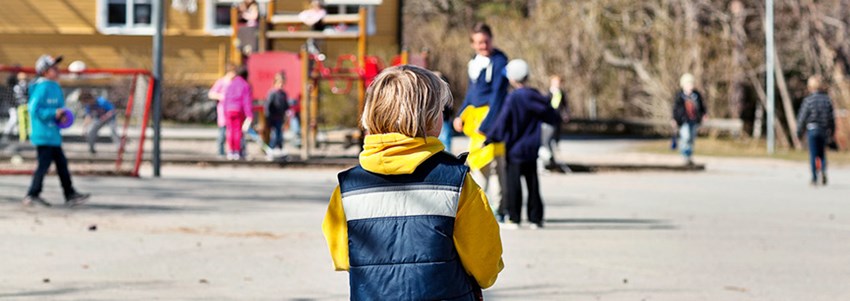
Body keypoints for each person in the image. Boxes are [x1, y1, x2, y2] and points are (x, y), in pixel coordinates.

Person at [322, 65, 504, 299]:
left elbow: (342, 257)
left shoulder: (347, 189)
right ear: (428, 119)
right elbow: (485, 264)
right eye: (440, 110)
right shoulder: (456, 183)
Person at [486, 60, 560, 229]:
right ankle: (536, 218)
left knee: (514, 184)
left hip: (514, 149)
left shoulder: (512, 98)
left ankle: (514, 217)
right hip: (532, 148)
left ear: (512, 78)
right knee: (533, 183)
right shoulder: (536, 96)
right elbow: (551, 116)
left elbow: (503, 121)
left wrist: (491, 137)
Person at [452, 22, 510, 221]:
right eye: (478, 42)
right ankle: (480, 207)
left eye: (485, 41)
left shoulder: (500, 61)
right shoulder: (474, 62)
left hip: (491, 120)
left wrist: (487, 125)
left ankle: (499, 208)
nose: (482, 46)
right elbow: (471, 94)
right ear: (473, 44)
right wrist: (460, 114)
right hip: (475, 119)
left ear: (491, 40)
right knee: (478, 166)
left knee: (495, 167)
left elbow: (498, 96)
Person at [23, 54, 89, 207]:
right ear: (44, 71)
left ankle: (69, 194)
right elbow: (34, 110)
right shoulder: (41, 87)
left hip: (53, 135)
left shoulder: (55, 87)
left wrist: (63, 117)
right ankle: (33, 194)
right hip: (43, 135)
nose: (58, 70)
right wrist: (54, 113)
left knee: (61, 164)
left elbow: (60, 110)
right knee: (44, 165)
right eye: (53, 68)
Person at [797, 75, 836, 186]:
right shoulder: (827, 100)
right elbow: (831, 118)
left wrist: (799, 131)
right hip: (823, 130)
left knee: (813, 154)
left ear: (810, 86)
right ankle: (823, 171)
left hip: (812, 129)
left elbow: (802, 117)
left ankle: (814, 177)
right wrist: (832, 131)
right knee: (822, 153)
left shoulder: (808, 100)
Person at [209, 64, 253, 160]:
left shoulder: (230, 84)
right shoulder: (244, 85)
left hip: (227, 111)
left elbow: (227, 98)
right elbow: (246, 101)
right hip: (238, 110)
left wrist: (225, 110)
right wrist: (249, 115)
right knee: (237, 131)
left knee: (230, 131)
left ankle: (230, 151)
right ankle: (236, 150)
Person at [672, 73, 707, 165]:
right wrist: (674, 119)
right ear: (683, 85)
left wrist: (704, 114)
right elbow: (675, 109)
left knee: (691, 139)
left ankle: (689, 156)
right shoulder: (680, 96)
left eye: (691, 84)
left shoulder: (696, 95)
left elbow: (702, 106)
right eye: (688, 84)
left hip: (694, 120)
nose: (690, 86)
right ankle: (684, 155)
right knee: (686, 137)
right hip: (684, 120)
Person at [539, 75, 570, 172]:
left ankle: (552, 160)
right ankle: (547, 160)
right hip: (548, 120)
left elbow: (565, 106)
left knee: (555, 141)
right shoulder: (548, 93)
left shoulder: (561, 93)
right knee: (546, 141)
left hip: (557, 120)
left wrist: (566, 114)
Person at [264, 72, 289, 152]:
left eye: (282, 83)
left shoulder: (283, 94)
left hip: (280, 117)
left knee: (279, 134)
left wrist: (287, 114)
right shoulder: (272, 93)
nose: (281, 85)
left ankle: (279, 148)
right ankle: (272, 148)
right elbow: (268, 105)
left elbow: (285, 105)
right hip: (272, 117)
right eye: (279, 83)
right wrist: (268, 116)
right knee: (275, 134)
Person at [2, 72, 28, 142]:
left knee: (18, 120)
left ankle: (12, 135)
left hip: (17, 106)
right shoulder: (14, 86)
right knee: (14, 119)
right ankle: (6, 134)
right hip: (12, 106)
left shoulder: (18, 86)